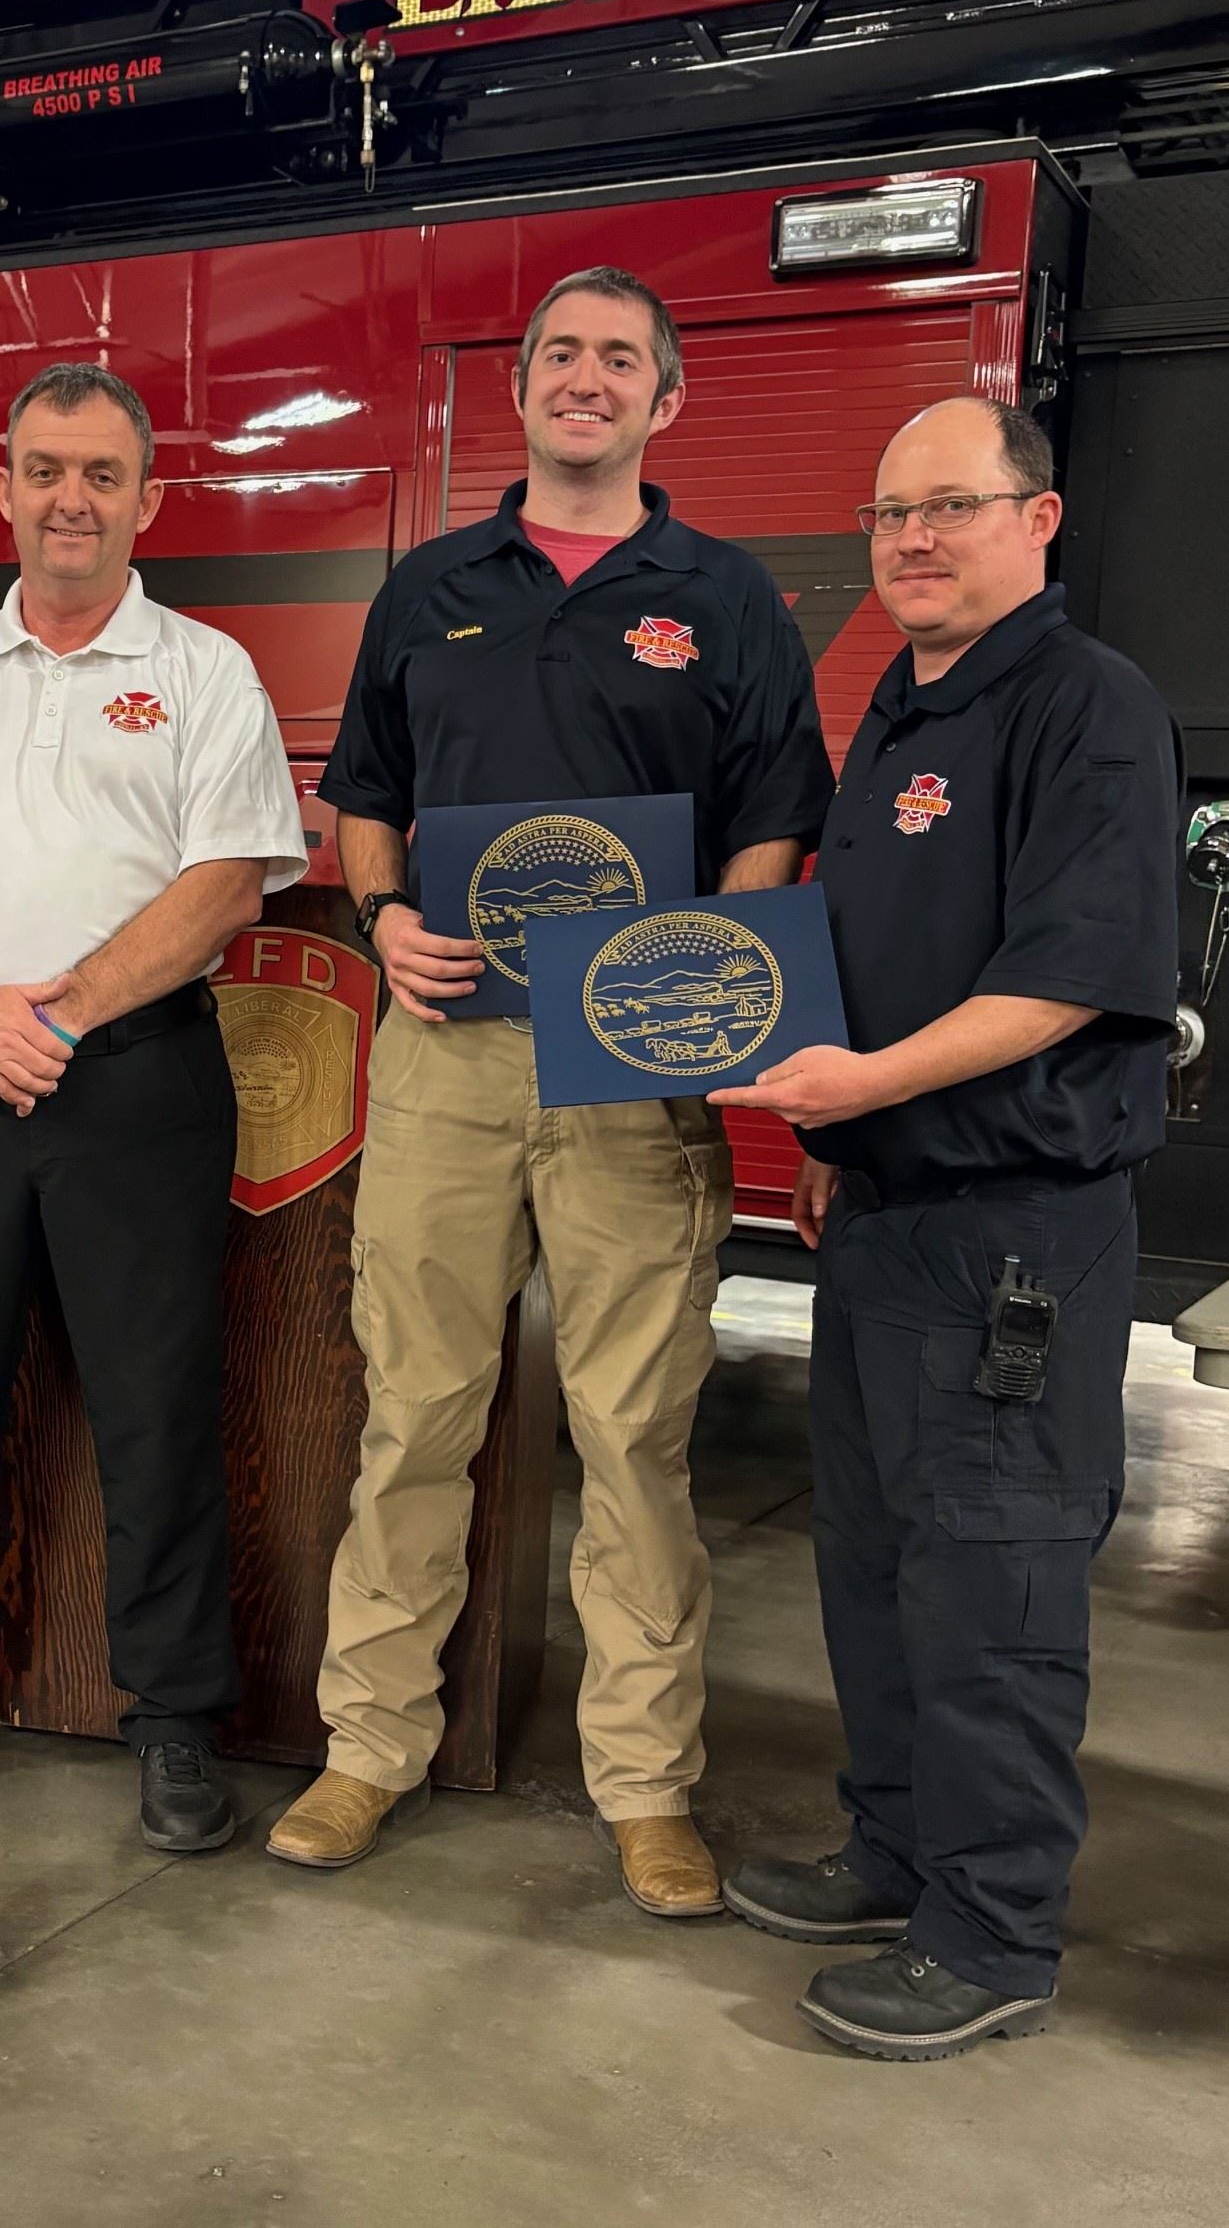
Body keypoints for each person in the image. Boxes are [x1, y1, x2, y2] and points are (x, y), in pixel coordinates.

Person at [267, 267, 834, 1911]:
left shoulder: (722, 594)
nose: (586, 379)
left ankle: (645, 1787)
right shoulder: (428, 585)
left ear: (666, 399)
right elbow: (364, 791)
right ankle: (368, 1746)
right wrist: (384, 918)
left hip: (633, 1067)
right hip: (444, 1052)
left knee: (634, 1437)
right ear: (516, 390)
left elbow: (773, 809)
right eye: (559, 356)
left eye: (619, 360)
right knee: (412, 1417)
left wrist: (705, 972)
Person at [709, 397, 1179, 2058]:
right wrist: (846, 1138)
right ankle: (897, 1848)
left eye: (950, 506)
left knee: (991, 1580)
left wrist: (867, 1086)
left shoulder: (1083, 707)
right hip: (888, 1212)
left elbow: (1064, 980)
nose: (911, 539)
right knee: (876, 1562)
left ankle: (989, 1935)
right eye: (889, 512)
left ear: (1034, 519)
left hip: (1010, 1233)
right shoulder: (904, 710)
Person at [0, 361, 306, 1852]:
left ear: (148, 501)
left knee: (157, 1407)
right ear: (3, 490)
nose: (70, 499)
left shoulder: (205, 671)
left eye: (100, 474)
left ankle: (174, 1719)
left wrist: (64, 1013)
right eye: (44, 470)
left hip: (138, 1080)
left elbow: (228, 877)